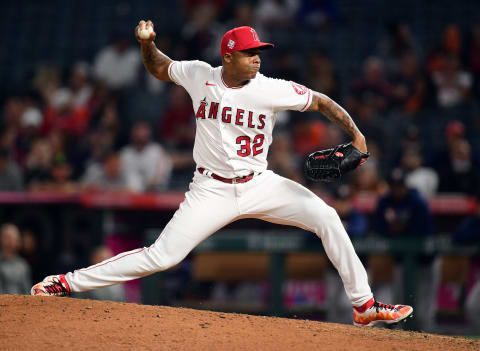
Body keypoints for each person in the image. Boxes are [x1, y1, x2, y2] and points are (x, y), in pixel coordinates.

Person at [31, 21, 413, 327]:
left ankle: (363, 305)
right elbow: (159, 66)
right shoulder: (200, 75)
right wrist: (147, 43)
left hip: (261, 183)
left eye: (260, 53)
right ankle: (65, 282)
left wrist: (358, 137)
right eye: (250, 54)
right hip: (210, 189)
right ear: (229, 56)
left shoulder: (272, 88)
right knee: (162, 257)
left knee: (327, 217)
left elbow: (322, 102)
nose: (258, 59)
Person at [0, 223, 31, 294]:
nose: (11, 241)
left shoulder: (22, 265)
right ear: (1, 238)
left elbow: (27, 291)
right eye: (8, 237)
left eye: (14, 238)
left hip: (20, 303)